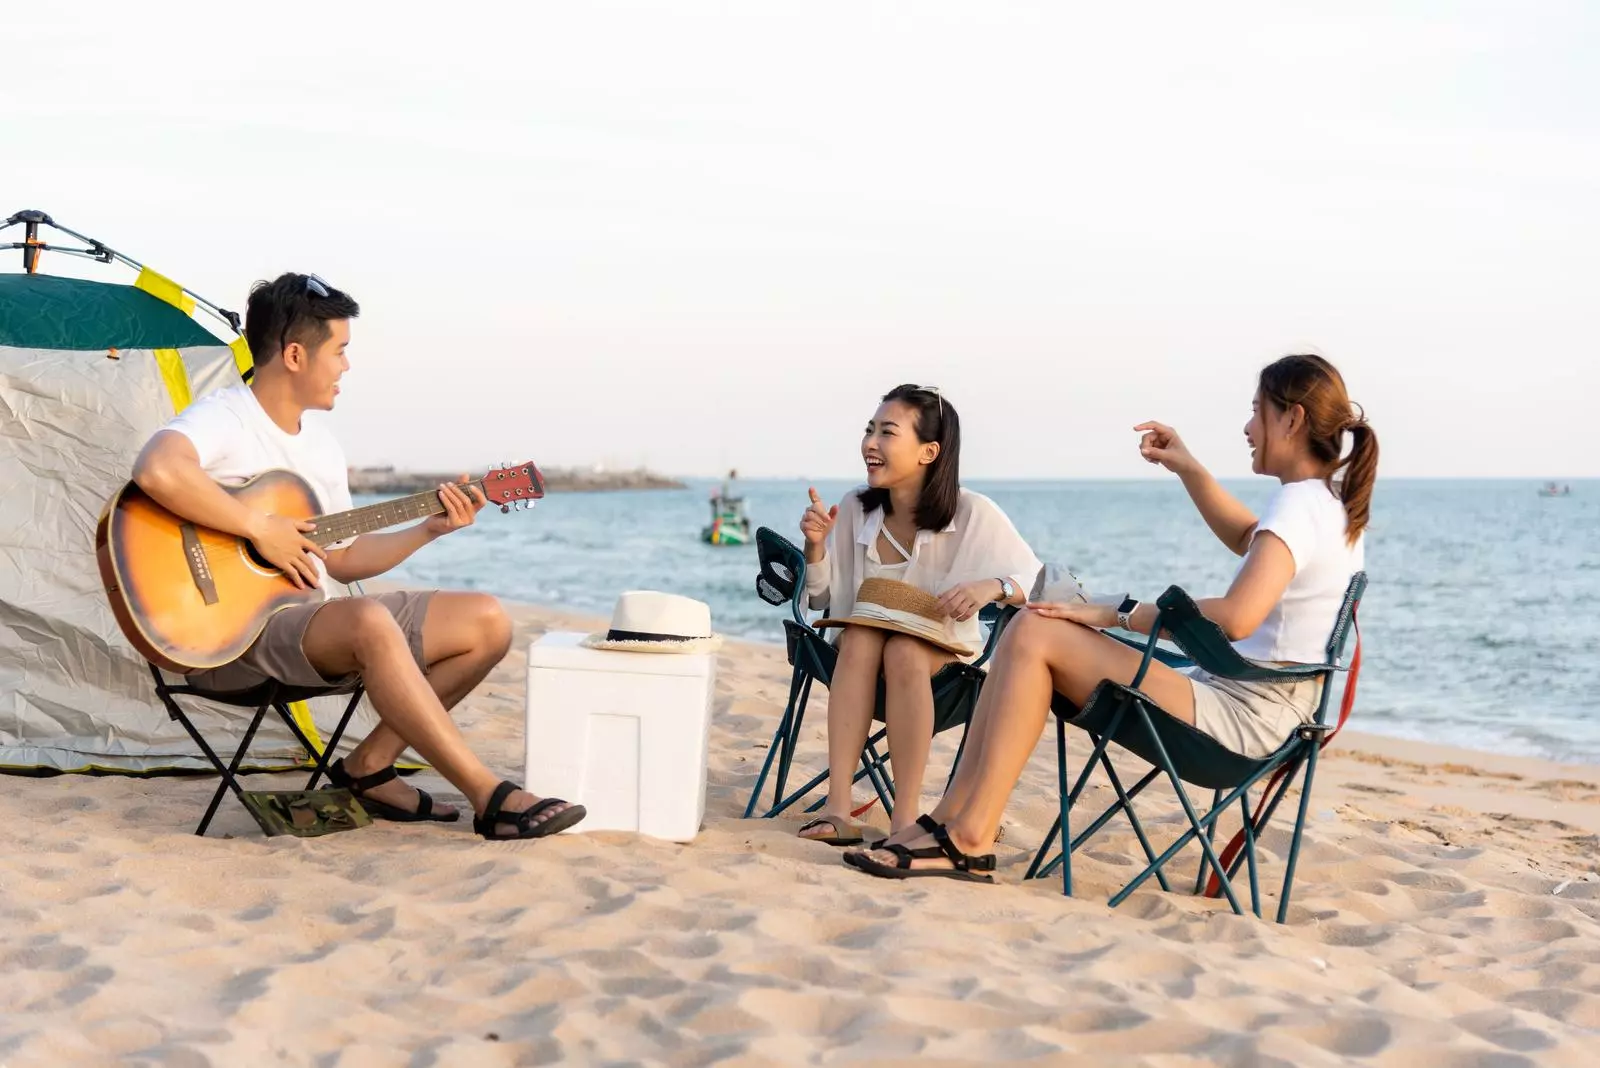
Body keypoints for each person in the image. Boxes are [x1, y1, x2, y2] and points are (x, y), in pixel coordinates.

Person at [845, 354, 1378, 881]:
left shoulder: (1298, 507)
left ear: (1293, 419)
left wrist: (1113, 613)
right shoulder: (1323, 504)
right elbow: (1247, 538)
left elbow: (1237, 618)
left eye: (1257, 411)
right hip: (1260, 707)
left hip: (1244, 721)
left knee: (1032, 630)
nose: (1247, 427)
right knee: (1028, 626)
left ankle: (968, 837)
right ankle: (947, 821)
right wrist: (1189, 468)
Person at [130, 272, 585, 841]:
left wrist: (428, 530)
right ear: (295, 354)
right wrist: (256, 527)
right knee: (368, 619)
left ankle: (367, 768)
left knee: (486, 621)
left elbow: (341, 559)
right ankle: (488, 796)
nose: (347, 366)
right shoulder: (226, 417)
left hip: (305, 627)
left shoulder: (320, 444)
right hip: (226, 639)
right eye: (340, 350)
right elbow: (156, 469)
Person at [795, 384, 1040, 845]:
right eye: (870, 430)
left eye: (887, 433)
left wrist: (994, 587)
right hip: (858, 655)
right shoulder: (852, 508)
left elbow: (1043, 583)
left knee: (905, 649)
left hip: (942, 664)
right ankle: (838, 808)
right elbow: (823, 599)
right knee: (864, 636)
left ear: (929, 451)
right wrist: (816, 547)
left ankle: (904, 818)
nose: (870, 443)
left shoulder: (972, 513)